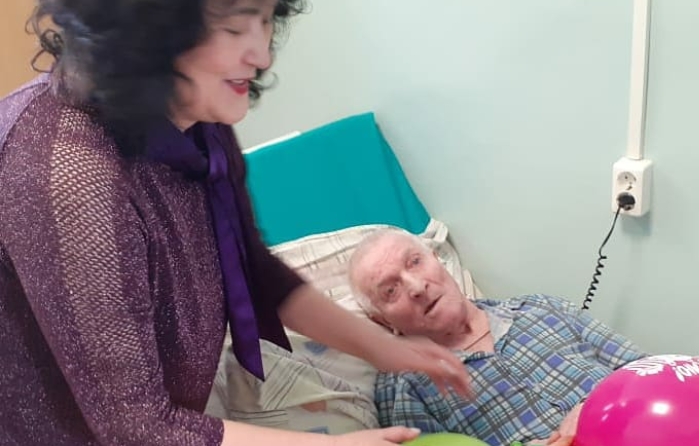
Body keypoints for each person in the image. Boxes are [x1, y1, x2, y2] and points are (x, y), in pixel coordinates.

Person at [0, 1, 471, 445]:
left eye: (265, 20)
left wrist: (386, 349)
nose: (262, 55)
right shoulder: (71, 174)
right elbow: (137, 427)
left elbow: (252, 269)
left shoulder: (194, 112)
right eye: (233, 28)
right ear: (150, 30)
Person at [347, 227, 699, 446]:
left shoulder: (541, 307)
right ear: (381, 320)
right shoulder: (403, 383)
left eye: (415, 262)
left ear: (438, 261)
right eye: (390, 290)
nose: (416, 286)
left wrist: (596, 409)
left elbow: (645, 369)